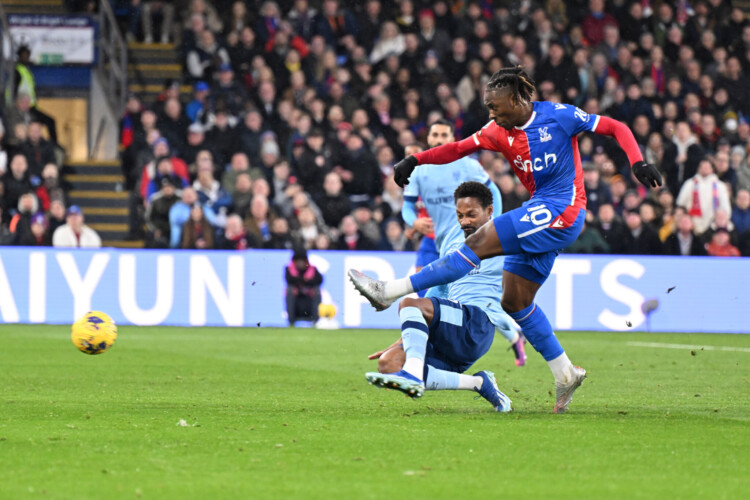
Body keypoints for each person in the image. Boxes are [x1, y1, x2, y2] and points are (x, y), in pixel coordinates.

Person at [349, 67, 663, 413]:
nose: (491, 113)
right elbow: (457, 148)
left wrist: (637, 162)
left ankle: (388, 292)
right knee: (515, 301)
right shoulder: (497, 131)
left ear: (516, 99)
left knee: (474, 246)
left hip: (564, 208)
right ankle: (566, 373)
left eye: (495, 106)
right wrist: (415, 160)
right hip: (540, 211)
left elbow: (615, 127)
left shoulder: (559, 116)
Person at [365, 182, 513, 411]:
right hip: (450, 327)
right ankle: (478, 383)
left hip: (478, 324)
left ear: (490, 211)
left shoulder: (505, 240)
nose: (465, 221)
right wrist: (402, 340)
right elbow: (438, 290)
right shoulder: (453, 242)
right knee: (389, 364)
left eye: (471, 215)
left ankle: (413, 373)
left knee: (408, 302)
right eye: (460, 215)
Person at [401, 120, 525, 366]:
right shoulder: (419, 171)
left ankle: (509, 335)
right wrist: (414, 222)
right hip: (434, 242)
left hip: (465, 241)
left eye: (444, 135)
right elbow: (407, 207)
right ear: (429, 138)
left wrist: (492, 227)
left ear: (452, 138)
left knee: (469, 301)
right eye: (435, 135)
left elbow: (493, 192)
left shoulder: (467, 165)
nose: (439, 139)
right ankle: (430, 348)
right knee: (425, 296)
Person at [284, 248, 323, 326]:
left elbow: (319, 280)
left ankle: (315, 320)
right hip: (296, 300)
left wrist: (304, 284)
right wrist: (304, 281)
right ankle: (291, 321)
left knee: (317, 290)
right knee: (289, 290)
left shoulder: (313, 269)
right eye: (298, 261)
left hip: (309, 300)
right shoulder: (289, 269)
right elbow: (289, 280)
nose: (300, 263)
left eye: (302, 261)